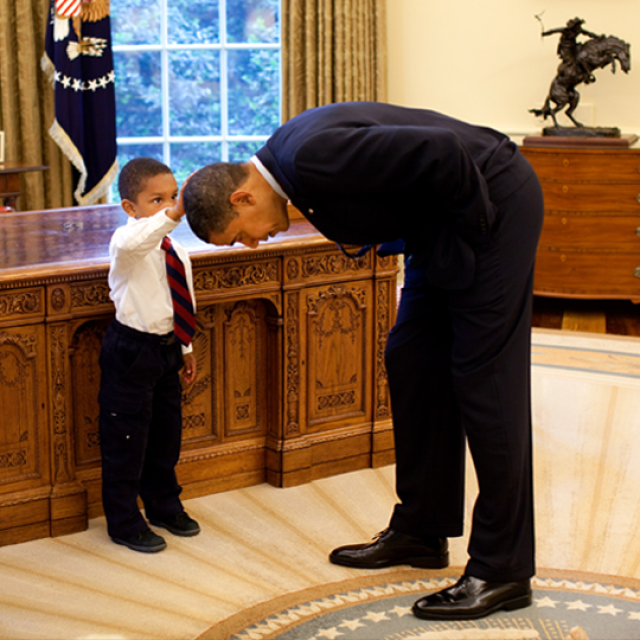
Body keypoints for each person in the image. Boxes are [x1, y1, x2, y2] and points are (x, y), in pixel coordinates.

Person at [182, 101, 544, 620]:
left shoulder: (309, 157)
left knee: (487, 384)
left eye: (240, 233)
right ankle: (422, 530)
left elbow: (444, 152)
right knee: (412, 359)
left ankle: (503, 570)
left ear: (242, 197)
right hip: (443, 225)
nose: (252, 241)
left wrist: (476, 238)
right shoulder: (291, 163)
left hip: (490, 208)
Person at [98, 157, 200, 553]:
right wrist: (174, 213)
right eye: (156, 199)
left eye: (173, 197)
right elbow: (137, 239)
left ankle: (163, 504)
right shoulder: (126, 244)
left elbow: (182, 297)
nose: (168, 205)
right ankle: (123, 521)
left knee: (164, 435)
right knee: (126, 439)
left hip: (167, 349)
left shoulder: (174, 248)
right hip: (131, 351)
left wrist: (186, 347)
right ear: (130, 208)